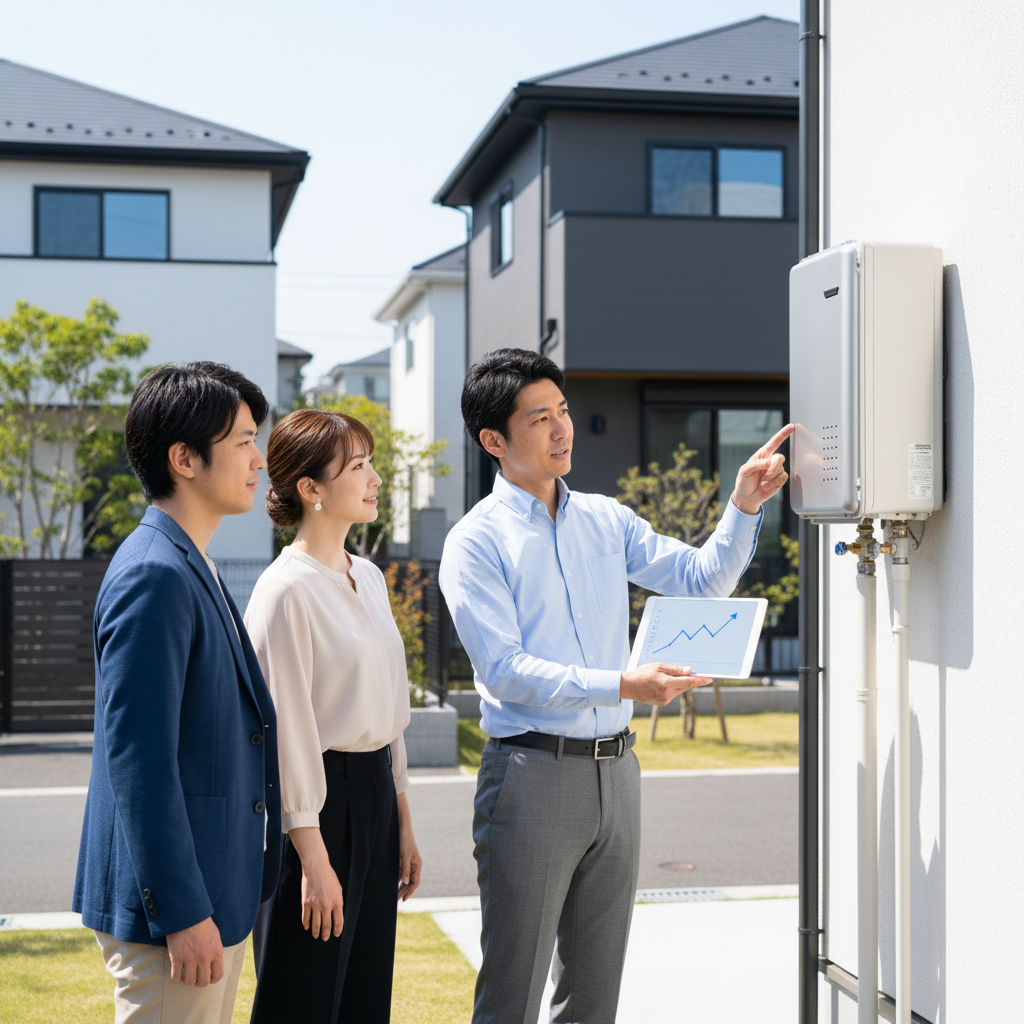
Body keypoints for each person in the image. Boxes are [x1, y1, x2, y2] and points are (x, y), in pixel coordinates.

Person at [438, 348, 793, 1024]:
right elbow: (505, 669)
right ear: (494, 440)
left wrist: (744, 505)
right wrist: (623, 682)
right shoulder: (475, 542)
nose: (561, 428)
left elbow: (700, 579)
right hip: (531, 773)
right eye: (539, 418)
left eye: (562, 411)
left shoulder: (607, 519)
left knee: (596, 995)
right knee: (513, 992)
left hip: (618, 772)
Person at [74, 362, 282, 1024]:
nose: (260, 460)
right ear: (184, 458)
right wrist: (184, 908)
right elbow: (140, 761)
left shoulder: (190, 561)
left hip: (211, 893)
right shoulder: (155, 575)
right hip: (175, 913)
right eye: (244, 441)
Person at [244, 408, 423, 1023]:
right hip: (314, 815)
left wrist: (401, 817)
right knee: (305, 995)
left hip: (374, 794)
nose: (374, 478)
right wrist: (314, 860)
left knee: (365, 994)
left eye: (371, 463)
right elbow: (285, 734)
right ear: (310, 489)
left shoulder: (368, 576)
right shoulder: (283, 591)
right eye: (357, 466)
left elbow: (389, 707)